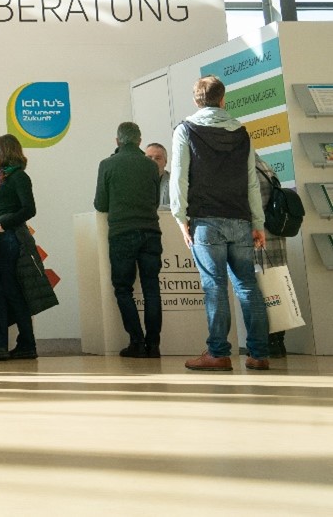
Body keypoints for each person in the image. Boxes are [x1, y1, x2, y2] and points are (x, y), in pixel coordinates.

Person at [171, 75, 269, 372]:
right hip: (240, 218)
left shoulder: (185, 130)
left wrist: (179, 217)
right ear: (223, 99)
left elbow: (179, 177)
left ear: (196, 100)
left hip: (205, 221)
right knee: (248, 286)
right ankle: (259, 353)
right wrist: (258, 222)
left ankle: (218, 353)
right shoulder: (242, 133)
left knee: (214, 286)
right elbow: (251, 181)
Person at [93, 122, 163, 358]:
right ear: (140, 140)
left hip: (123, 233)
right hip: (151, 232)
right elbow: (155, 201)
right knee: (152, 288)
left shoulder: (107, 164)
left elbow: (100, 204)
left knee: (124, 289)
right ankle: (153, 345)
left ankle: (136, 342)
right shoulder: (151, 166)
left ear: (117, 141)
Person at [0, 133, 44, 361]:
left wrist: (5, 224)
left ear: (3, 152)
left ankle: (15, 344)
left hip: (10, 238)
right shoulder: (2, 178)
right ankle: (6, 344)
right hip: (2, 239)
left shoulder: (19, 177)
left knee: (9, 292)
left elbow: (29, 209)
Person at [255, 156, 289, 358]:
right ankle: (278, 342)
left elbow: (254, 206)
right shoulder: (265, 166)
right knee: (277, 291)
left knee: (263, 293)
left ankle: (268, 343)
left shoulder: (247, 170)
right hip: (276, 237)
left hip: (260, 238)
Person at [146, 143, 171, 208]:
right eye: (149, 157)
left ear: (165, 162)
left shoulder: (175, 181)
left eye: (158, 158)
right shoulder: (135, 181)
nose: (153, 161)